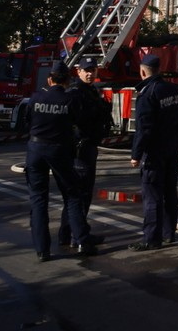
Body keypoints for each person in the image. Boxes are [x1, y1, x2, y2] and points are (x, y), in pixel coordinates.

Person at [26, 60, 96, 262]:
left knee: (38, 200)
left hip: (35, 149)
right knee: (72, 195)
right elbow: (79, 122)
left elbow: (27, 122)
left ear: (49, 79)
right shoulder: (69, 100)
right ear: (67, 80)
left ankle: (42, 250)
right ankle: (83, 240)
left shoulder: (35, 97)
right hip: (59, 150)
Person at [128, 53, 178, 251]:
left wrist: (136, 155)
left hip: (155, 153)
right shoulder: (173, 90)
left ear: (143, 71)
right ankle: (168, 233)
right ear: (159, 70)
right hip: (173, 150)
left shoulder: (148, 93)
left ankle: (151, 239)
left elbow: (144, 128)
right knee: (170, 192)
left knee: (152, 195)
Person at [57, 58, 111, 248]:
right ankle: (76, 236)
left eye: (93, 70)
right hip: (80, 149)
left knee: (76, 196)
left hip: (88, 147)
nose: (90, 73)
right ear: (78, 71)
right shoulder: (75, 93)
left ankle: (67, 234)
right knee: (80, 195)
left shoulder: (91, 91)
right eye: (86, 70)